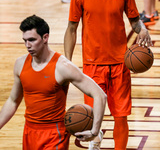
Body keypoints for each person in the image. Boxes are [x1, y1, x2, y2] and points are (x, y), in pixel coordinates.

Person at [64, 0, 153, 150]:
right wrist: (67, 62)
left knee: (121, 116)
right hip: (92, 67)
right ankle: (94, 143)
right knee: (91, 116)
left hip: (120, 65)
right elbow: (71, 29)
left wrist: (143, 29)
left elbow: (135, 22)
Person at [0, 15, 107, 150]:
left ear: (45, 38)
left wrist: (94, 131)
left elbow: (100, 95)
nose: (28, 45)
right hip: (29, 131)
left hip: (54, 134)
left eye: (32, 40)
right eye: (25, 41)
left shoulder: (63, 67)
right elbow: (13, 101)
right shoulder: (20, 64)